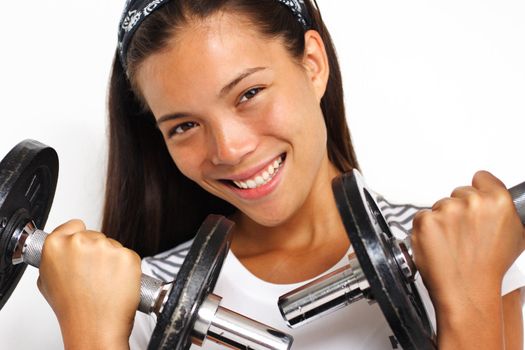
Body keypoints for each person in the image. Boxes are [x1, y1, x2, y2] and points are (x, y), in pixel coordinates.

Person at [36, 0, 525, 349]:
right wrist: (93, 335)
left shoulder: (478, 253)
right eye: (185, 125)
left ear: (312, 65)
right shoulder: (129, 300)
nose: (229, 149)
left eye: (248, 93)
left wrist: (470, 299)